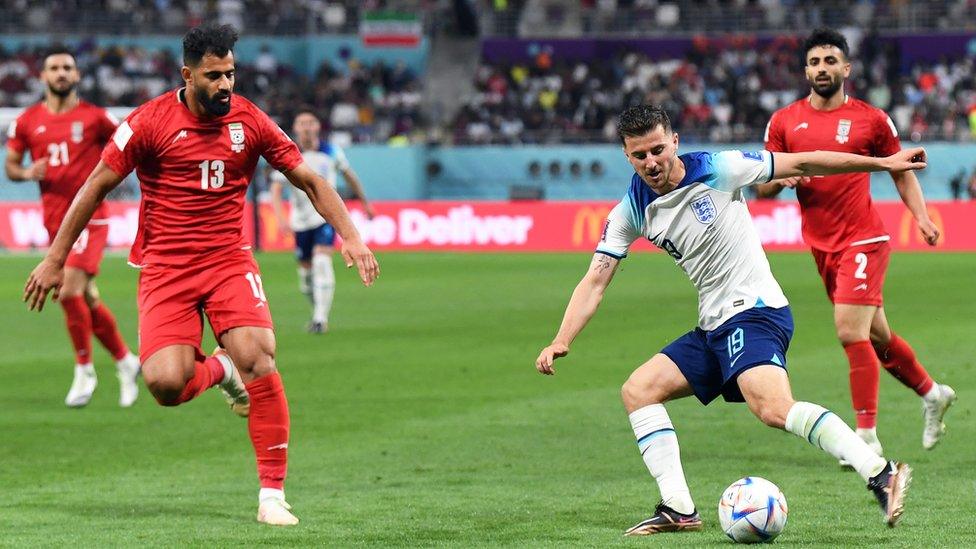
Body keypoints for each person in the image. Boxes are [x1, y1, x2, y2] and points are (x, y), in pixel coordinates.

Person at [23, 25, 379, 526]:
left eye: (231, 73)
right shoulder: (147, 123)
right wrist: (56, 258)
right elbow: (95, 185)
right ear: (187, 75)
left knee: (259, 355)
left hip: (229, 260)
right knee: (167, 385)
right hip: (166, 267)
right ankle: (220, 371)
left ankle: (272, 494)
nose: (225, 84)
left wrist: (351, 235)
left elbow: (309, 180)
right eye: (214, 76)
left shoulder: (249, 120)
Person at [534, 105, 923, 535]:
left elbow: (805, 160)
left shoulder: (720, 168)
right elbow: (595, 280)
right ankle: (679, 509)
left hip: (755, 312)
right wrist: (561, 338)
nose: (652, 162)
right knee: (639, 391)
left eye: (658, 150)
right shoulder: (630, 211)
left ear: (675, 142)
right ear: (627, 156)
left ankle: (880, 472)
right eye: (640, 155)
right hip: (714, 325)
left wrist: (882, 163)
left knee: (773, 408)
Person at [759, 29, 955, 459]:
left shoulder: (871, 119)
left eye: (831, 61)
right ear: (805, 70)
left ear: (846, 68)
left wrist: (921, 217)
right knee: (878, 337)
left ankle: (865, 437)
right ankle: (932, 393)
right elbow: (763, 186)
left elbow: (900, 170)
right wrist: (777, 180)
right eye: (814, 62)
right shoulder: (784, 122)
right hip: (822, 245)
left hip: (865, 238)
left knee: (850, 331)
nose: (822, 69)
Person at [6, 46, 140, 408]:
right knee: (88, 299)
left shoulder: (96, 118)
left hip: (90, 218)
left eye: (68, 67)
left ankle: (85, 369)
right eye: (54, 68)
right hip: (54, 221)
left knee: (68, 292)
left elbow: (128, 147)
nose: (61, 73)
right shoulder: (27, 121)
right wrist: (25, 172)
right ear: (43, 76)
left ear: (77, 75)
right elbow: (12, 166)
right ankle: (126, 360)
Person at [269, 110, 375, 334]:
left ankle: (320, 319)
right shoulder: (288, 152)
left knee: (321, 263)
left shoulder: (331, 151)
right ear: (296, 128)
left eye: (310, 122)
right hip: (300, 221)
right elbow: (276, 189)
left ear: (318, 126)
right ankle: (316, 310)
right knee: (306, 279)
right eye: (301, 123)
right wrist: (280, 218)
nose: (306, 127)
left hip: (325, 217)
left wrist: (365, 203)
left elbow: (350, 177)